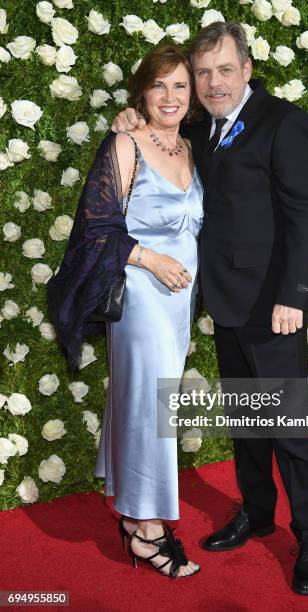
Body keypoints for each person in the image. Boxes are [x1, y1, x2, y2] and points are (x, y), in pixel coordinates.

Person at [112, 21, 308, 595]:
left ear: (248, 71)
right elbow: (153, 133)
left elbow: (306, 212)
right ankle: (257, 513)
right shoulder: (202, 130)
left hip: (274, 307)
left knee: (287, 426)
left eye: (224, 70)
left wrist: (294, 295)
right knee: (247, 424)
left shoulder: (283, 122)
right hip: (226, 303)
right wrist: (128, 119)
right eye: (203, 73)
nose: (212, 83)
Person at [47, 44, 203, 579]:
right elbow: (95, 227)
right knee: (150, 407)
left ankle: (134, 511)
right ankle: (147, 528)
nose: (169, 96)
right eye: (159, 85)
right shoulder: (124, 142)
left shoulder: (190, 147)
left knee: (143, 401)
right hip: (141, 293)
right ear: (141, 91)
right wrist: (152, 259)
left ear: (192, 95)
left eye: (179, 86)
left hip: (179, 301)